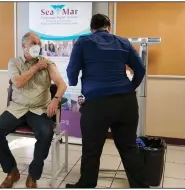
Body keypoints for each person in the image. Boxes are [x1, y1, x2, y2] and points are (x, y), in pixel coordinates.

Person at [65, 13, 149, 188]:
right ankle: (141, 186)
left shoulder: (82, 42)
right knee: (129, 148)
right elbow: (140, 68)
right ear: (109, 26)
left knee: (91, 150)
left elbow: (72, 70)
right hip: (126, 103)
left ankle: (87, 184)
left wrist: (73, 82)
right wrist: (130, 87)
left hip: (97, 104)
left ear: (91, 28)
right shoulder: (123, 42)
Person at [0, 32, 67, 188]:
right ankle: (11, 170)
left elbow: (62, 84)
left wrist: (55, 99)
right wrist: (36, 68)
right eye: (33, 43)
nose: (37, 46)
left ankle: (33, 174)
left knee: (46, 133)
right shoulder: (14, 63)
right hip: (17, 108)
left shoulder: (47, 63)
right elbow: (17, 83)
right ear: (24, 46)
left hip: (39, 109)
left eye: (38, 43)